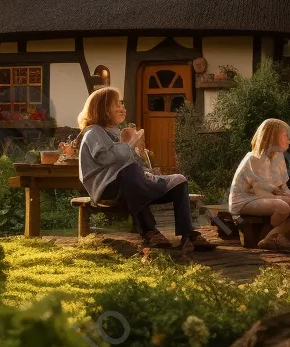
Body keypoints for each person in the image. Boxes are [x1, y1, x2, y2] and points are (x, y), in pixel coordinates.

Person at [76, 86, 215, 252]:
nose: (122, 108)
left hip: (132, 185)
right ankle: (149, 231)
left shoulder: (115, 133)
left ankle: (187, 235)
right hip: (107, 189)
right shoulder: (94, 132)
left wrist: (140, 156)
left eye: (122, 103)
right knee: (132, 172)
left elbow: (133, 162)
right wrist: (129, 143)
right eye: (117, 104)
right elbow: (106, 158)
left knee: (179, 181)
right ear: (103, 109)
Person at [228, 118, 290, 252]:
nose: (289, 140)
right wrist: (289, 199)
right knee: (283, 207)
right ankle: (273, 237)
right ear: (272, 136)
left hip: (267, 196)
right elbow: (260, 191)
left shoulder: (278, 157)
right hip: (248, 199)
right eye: (285, 135)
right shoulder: (254, 159)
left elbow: (282, 186)